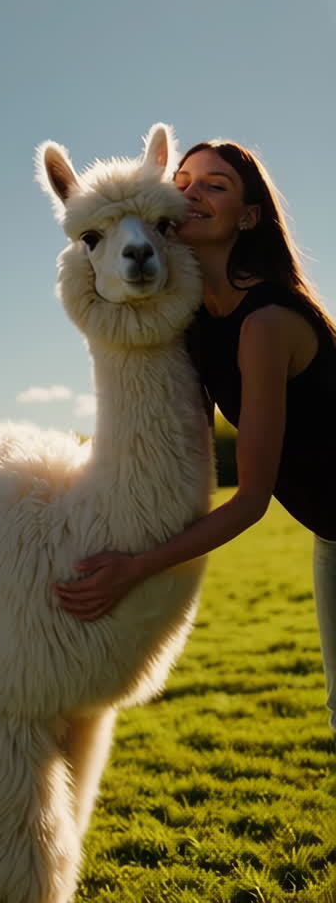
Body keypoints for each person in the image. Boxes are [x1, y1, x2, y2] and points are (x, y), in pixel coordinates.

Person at [55, 139, 336, 739]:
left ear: (250, 215)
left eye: (216, 185)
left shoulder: (264, 322)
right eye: (183, 179)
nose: (192, 192)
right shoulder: (198, 322)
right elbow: (173, 449)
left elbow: (251, 499)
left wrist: (138, 567)